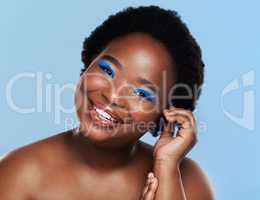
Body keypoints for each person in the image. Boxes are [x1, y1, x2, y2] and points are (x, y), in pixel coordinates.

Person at [0, 6, 214, 200]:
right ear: (88, 64)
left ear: (164, 115)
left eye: (142, 93)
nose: (113, 97)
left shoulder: (187, 181)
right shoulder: (18, 173)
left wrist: (166, 167)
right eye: (107, 70)